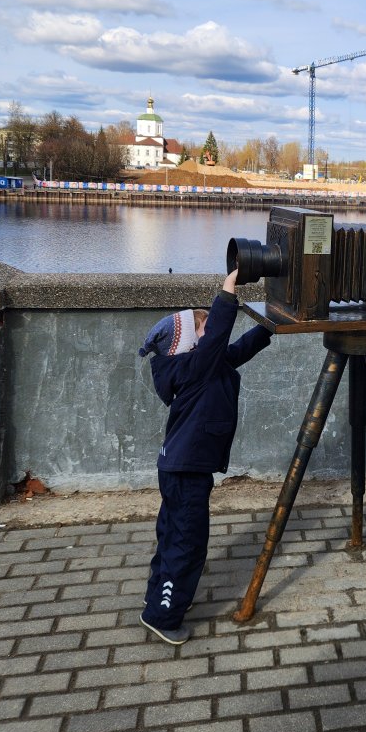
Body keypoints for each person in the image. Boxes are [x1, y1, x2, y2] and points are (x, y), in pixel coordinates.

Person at [138, 268, 271, 645]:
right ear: (188, 347)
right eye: (203, 327)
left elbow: (237, 350)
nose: (210, 328)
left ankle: (157, 597)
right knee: (188, 542)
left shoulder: (203, 366)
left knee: (171, 536)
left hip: (181, 467)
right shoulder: (195, 368)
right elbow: (217, 341)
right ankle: (164, 615)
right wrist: (227, 292)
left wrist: (270, 325)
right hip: (185, 470)